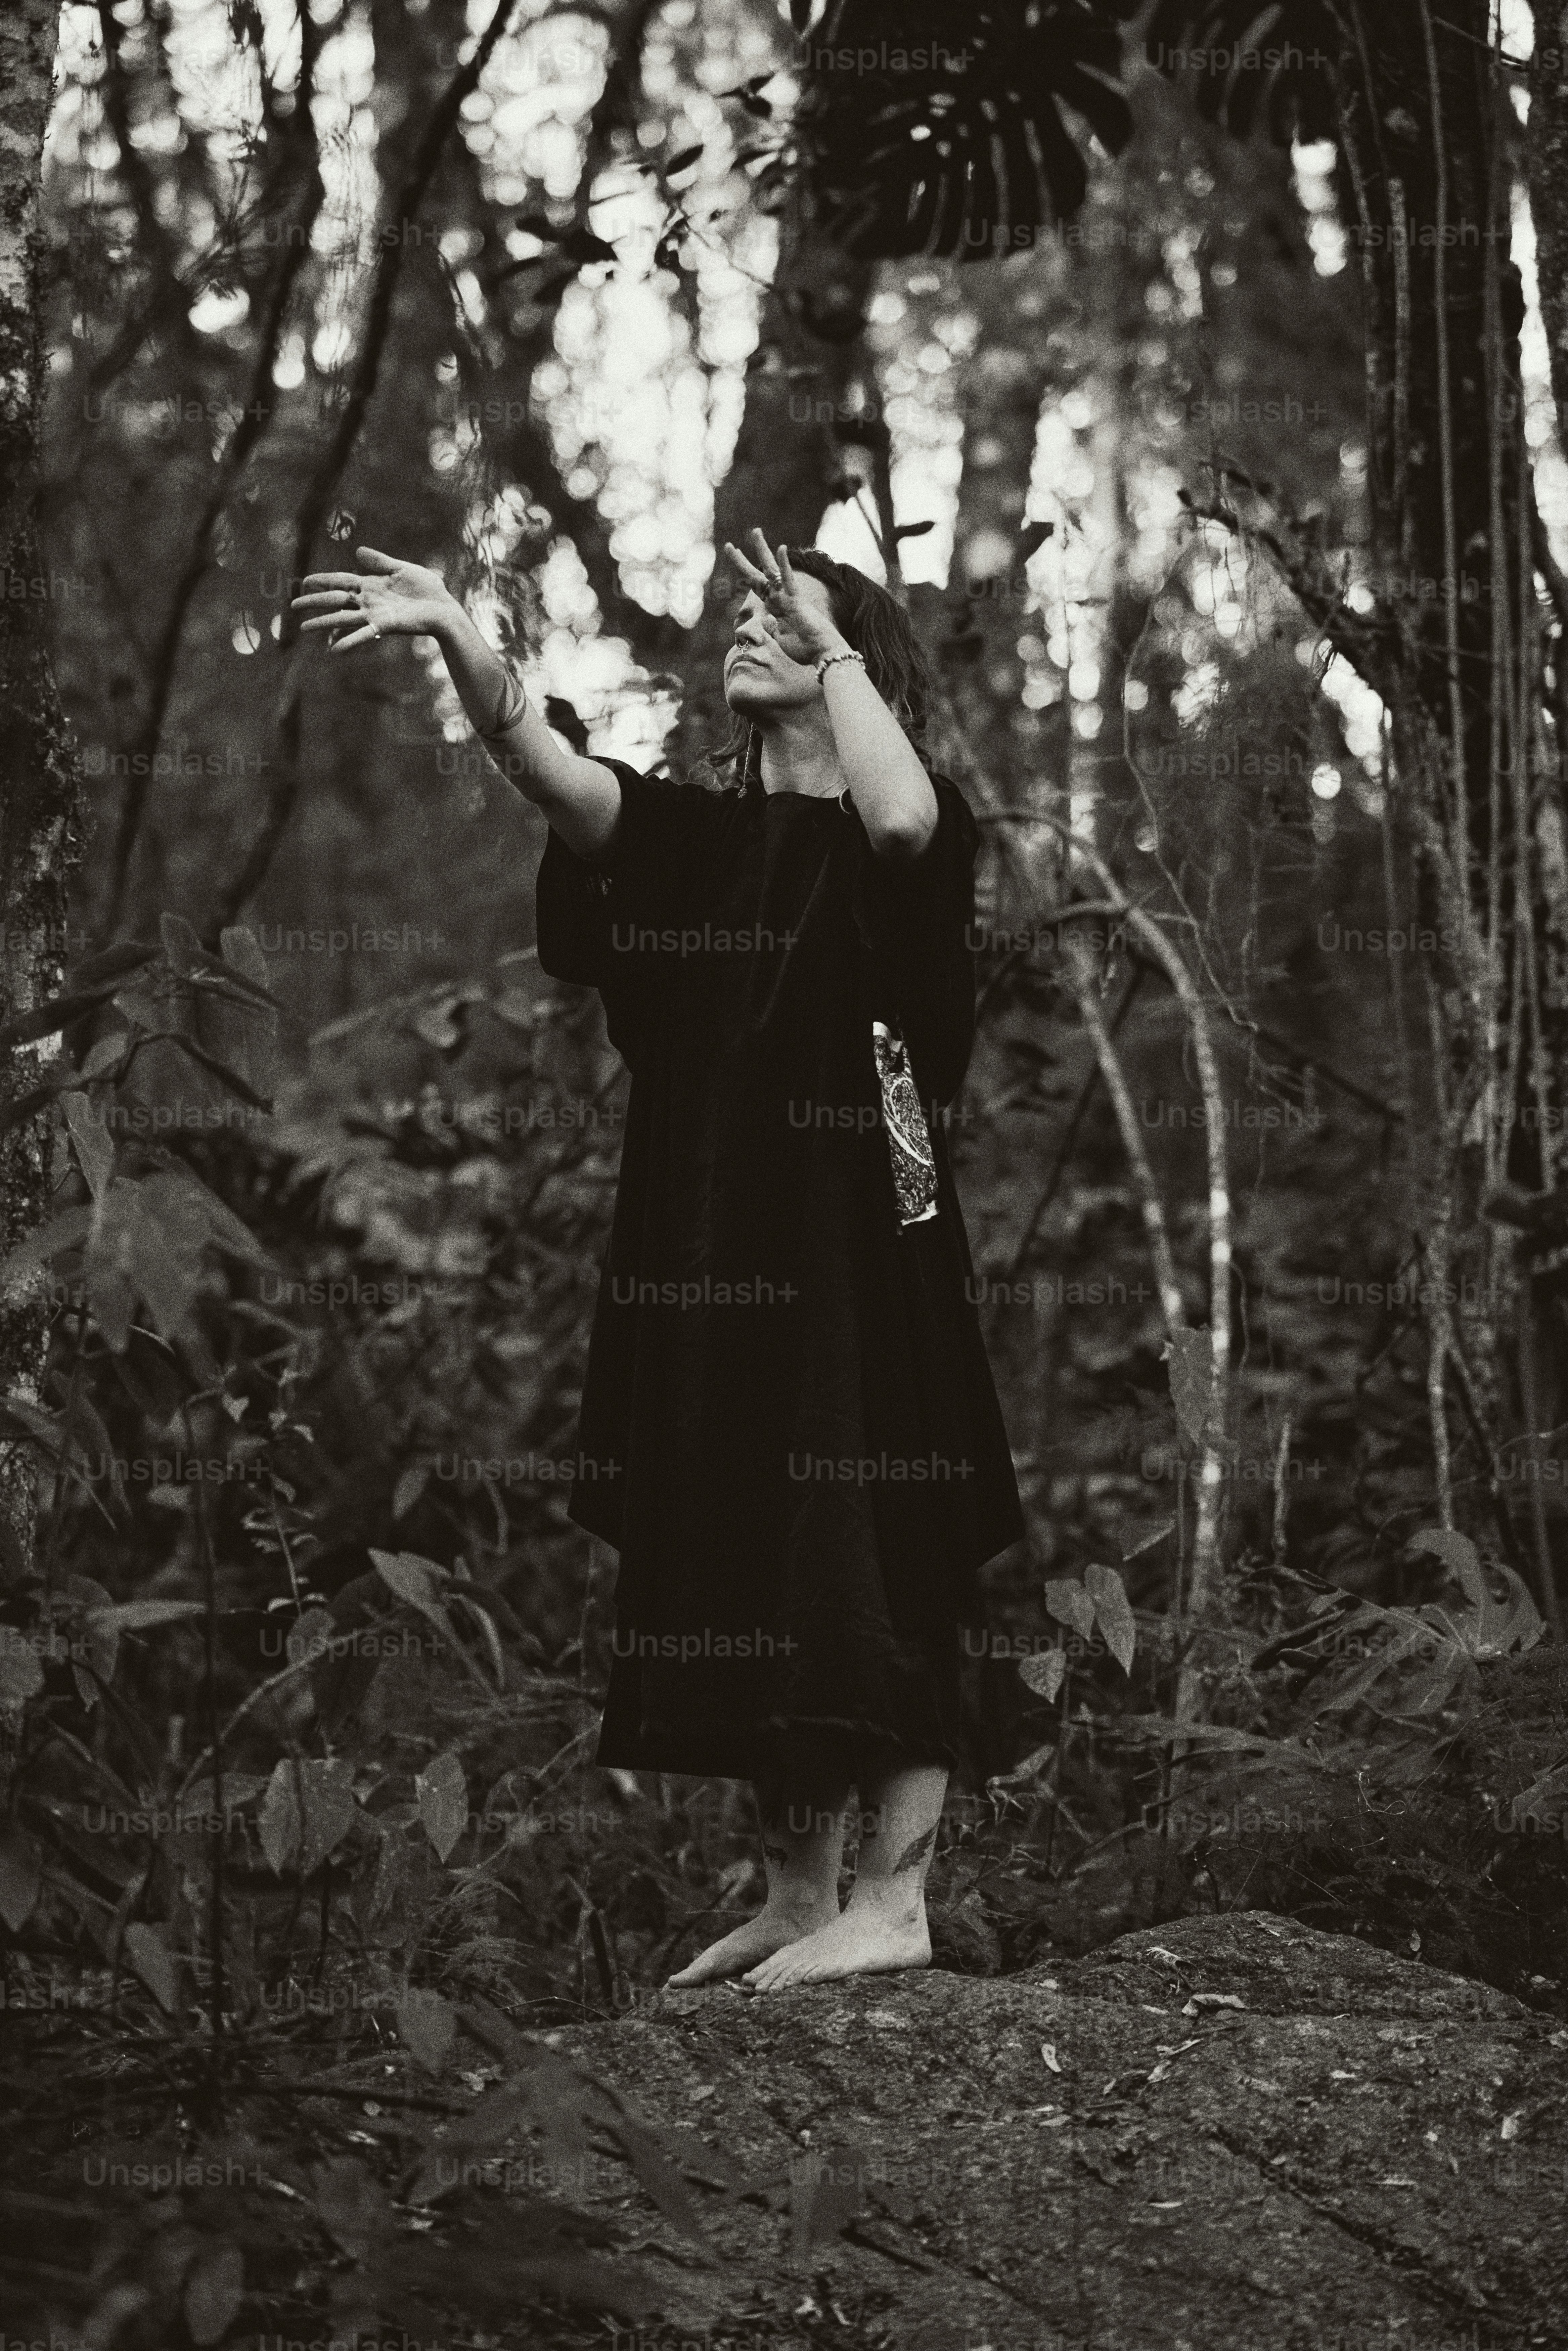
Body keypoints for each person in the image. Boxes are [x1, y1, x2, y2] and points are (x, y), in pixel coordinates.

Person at [293, 532, 1023, 1990]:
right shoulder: (697, 840)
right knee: (746, 1530)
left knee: (876, 1539)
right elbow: (551, 775)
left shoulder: (904, 823)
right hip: (718, 1246)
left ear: (846, 652)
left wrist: (831, 648)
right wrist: (460, 637)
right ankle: (798, 1890)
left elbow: (892, 826)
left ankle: (898, 1898)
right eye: (749, 618)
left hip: (862, 1245)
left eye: (783, 619)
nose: (743, 636)